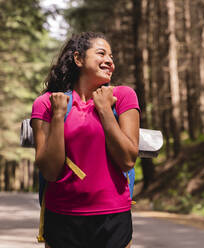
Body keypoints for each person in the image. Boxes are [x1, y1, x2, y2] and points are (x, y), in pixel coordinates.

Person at [30, 31, 140, 248]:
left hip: (113, 218)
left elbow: (127, 160)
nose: (110, 61)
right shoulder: (47, 103)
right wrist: (59, 116)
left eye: (111, 57)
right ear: (78, 59)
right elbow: (50, 171)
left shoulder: (123, 97)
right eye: (101, 53)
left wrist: (106, 112)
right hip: (62, 219)